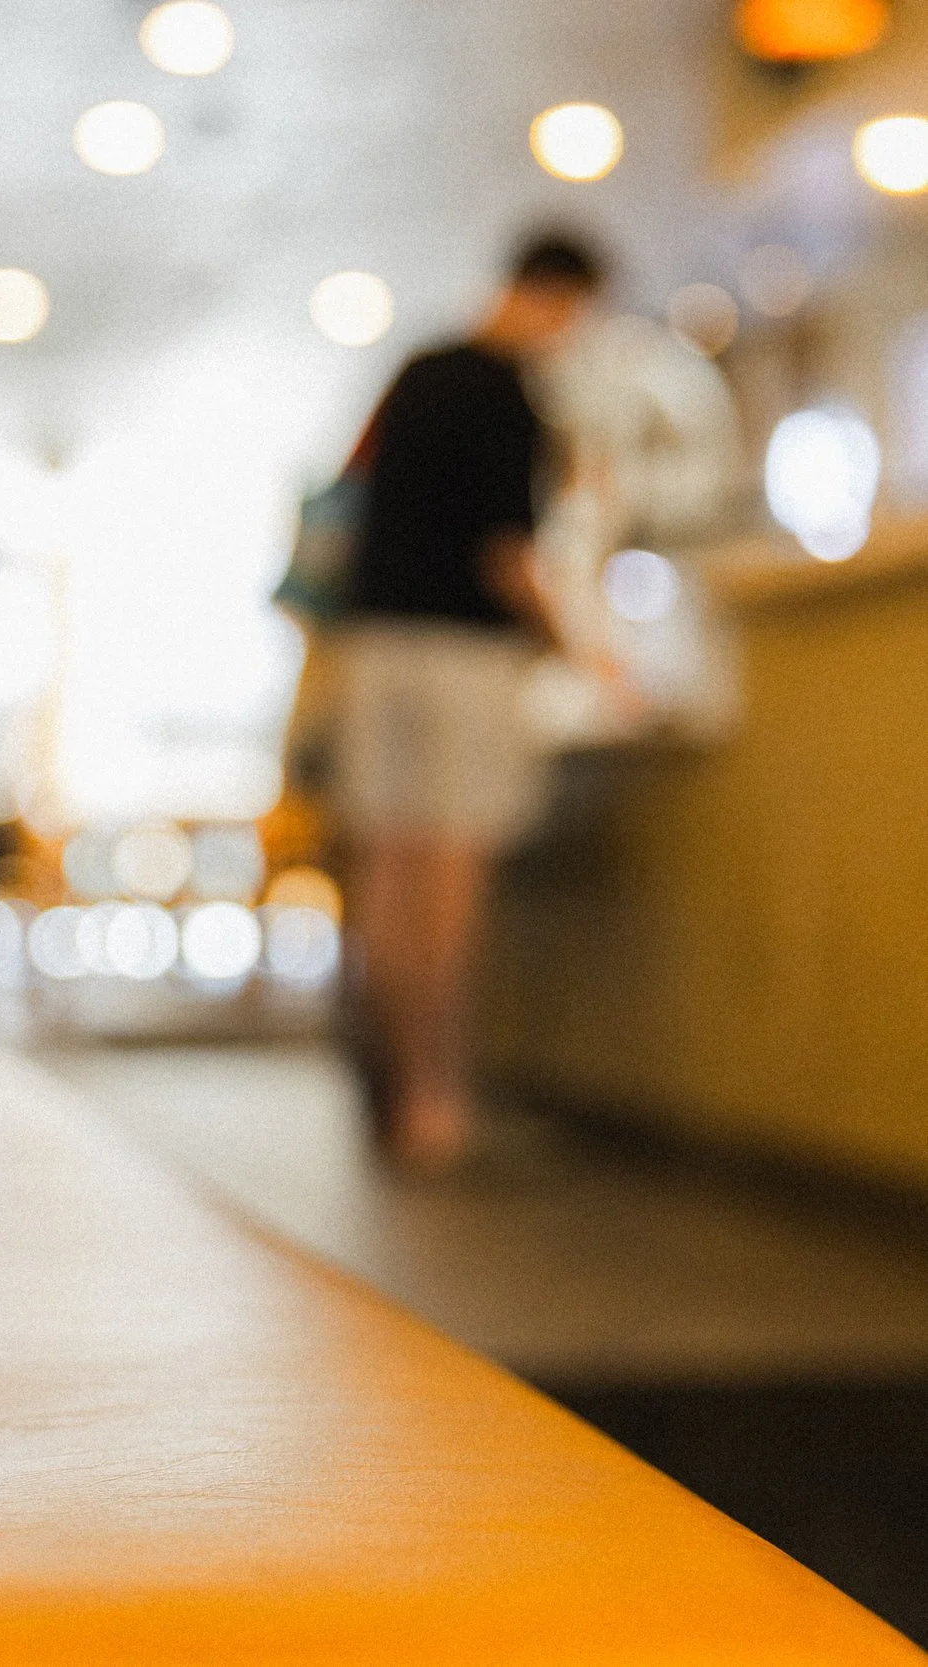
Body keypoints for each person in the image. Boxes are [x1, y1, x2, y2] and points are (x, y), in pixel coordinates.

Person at [336, 231, 607, 1173]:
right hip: (461, 655)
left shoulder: (417, 373)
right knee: (449, 877)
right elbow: (508, 557)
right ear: (562, 297)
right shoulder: (508, 393)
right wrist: (585, 654)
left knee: (388, 874)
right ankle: (436, 1099)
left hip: (374, 645)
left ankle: (388, 1096)